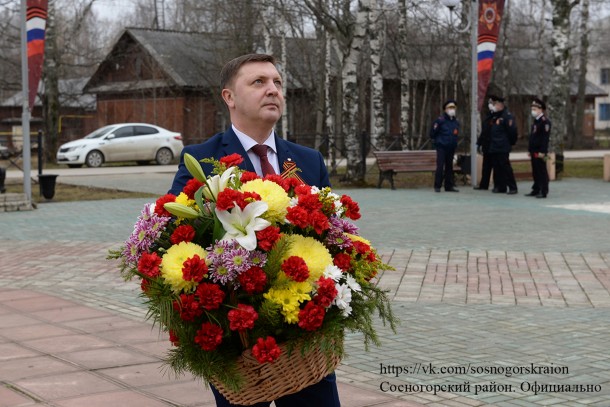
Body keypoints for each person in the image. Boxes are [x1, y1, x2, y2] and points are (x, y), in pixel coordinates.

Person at [168, 54, 339, 407]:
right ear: (229, 97)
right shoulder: (203, 160)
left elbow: (332, 237)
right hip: (238, 334)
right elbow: (176, 237)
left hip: (303, 328)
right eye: (258, 82)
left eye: (277, 83)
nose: (272, 90)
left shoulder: (307, 161)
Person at [487, 95, 518, 195]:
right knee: (496, 167)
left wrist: (510, 143)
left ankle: (512, 187)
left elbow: (512, 131)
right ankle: (500, 186)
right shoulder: (495, 115)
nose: (493, 106)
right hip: (494, 145)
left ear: (500, 105)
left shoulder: (506, 116)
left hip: (502, 146)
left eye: (495, 104)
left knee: (505, 167)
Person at [429, 99, 460, 192]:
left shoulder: (455, 122)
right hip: (442, 146)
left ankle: (448, 186)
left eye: (454, 108)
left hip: (451, 147)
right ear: (445, 109)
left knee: (449, 167)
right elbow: (432, 133)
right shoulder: (440, 121)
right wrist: (437, 142)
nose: (452, 110)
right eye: (450, 108)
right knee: (440, 165)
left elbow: (456, 133)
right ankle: (437, 186)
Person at [526, 98, 551, 198]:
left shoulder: (545, 122)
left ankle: (543, 190)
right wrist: (529, 149)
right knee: (535, 170)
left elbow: (545, 138)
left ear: (541, 109)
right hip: (534, 150)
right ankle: (536, 189)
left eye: (535, 108)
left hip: (540, 151)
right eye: (532, 108)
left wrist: (543, 151)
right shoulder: (536, 121)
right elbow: (533, 137)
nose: (533, 110)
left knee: (541, 170)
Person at [474, 100, 495, 190]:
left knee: (497, 167)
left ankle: (499, 185)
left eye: (492, 103)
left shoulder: (498, 116)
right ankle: (484, 185)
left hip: (494, 145)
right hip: (487, 145)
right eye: (489, 103)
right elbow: (484, 132)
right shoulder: (488, 116)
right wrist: (478, 143)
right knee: (486, 166)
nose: (490, 105)